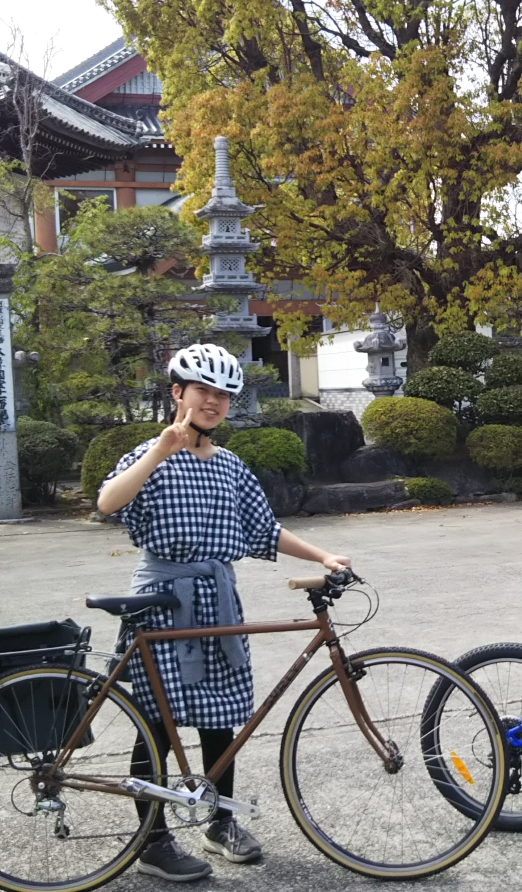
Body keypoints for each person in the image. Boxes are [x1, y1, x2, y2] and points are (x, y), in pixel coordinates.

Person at [97, 343, 351, 882]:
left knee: (220, 718)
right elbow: (107, 503)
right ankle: (153, 840)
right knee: (156, 728)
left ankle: (219, 821)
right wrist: (160, 452)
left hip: (218, 600)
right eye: (202, 391)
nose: (212, 402)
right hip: (161, 602)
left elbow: (266, 529)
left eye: (222, 395)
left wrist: (323, 554)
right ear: (178, 394)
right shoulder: (149, 454)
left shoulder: (231, 466)